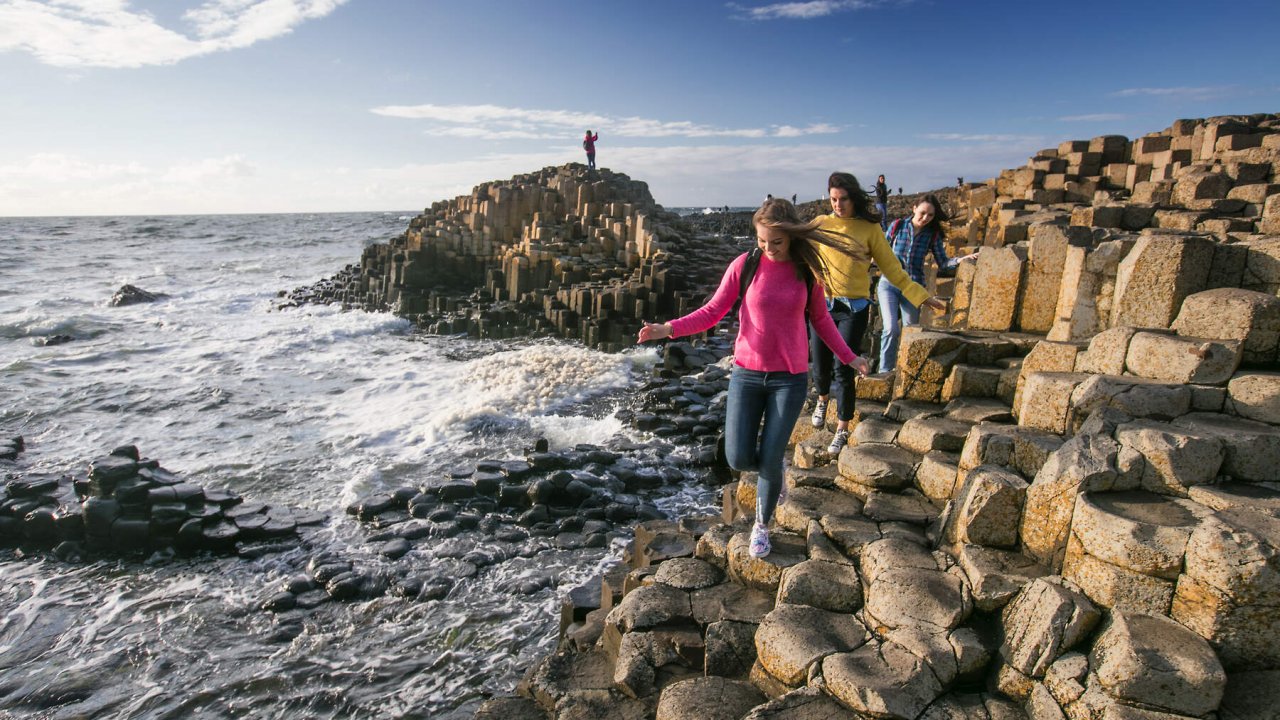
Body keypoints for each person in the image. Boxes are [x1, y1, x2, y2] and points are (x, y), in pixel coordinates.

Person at [638, 198, 871, 559]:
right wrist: (668, 329)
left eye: (776, 242)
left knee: (770, 454)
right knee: (737, 457)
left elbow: (822, 322)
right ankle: (772, 466)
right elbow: (713, 311)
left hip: (789, 379)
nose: (769, 248)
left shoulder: (806, 271)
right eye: (762, 241)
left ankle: (762, 525)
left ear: (791, 237)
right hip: (746, 374)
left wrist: (850, 357)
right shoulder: (745, 265)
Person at [807, 173, 946, 455]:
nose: (838, 205)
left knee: (842, 370)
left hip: (854, 308)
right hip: (822, 306)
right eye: (833, 199)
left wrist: (922, 297)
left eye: (843, 199)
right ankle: (823, 400)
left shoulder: (869, 229)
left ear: (854, 198)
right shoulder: (820, 225)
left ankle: (842, 429)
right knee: (819, 366)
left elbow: (893, 270)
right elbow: (793, 248)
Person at [877, 193, 979, 373]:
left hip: (914, 288)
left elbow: (943, 262)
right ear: (914, 208)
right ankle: (884, 372)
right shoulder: (897, 226)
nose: (925, 218)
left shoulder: (932, 235)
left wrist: (962, 259)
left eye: (930, 215)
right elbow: (880, 252)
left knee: (911, 332)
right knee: (891, 329)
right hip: (889, 284)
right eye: (922, 213)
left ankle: (905, 371)